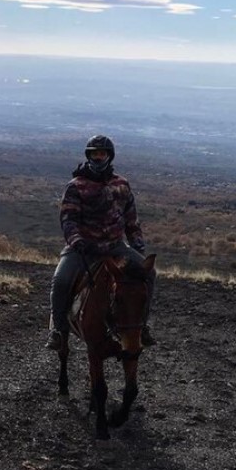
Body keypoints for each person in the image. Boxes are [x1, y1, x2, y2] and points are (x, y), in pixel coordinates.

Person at [46, 134, 155, 349]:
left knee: (149, 274)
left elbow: (131, 219)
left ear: (109, 156)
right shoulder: (76, 186)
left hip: (115, 246)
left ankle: (142, 325)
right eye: (94, 153)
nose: (98, 157)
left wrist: (137, 245)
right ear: (88, 156)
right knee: (61, 280)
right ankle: (57, 330)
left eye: (102, 153)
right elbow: (68, 219)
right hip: (83, 249)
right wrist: (77, 241)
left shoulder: (122, 185)